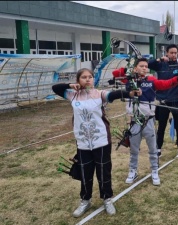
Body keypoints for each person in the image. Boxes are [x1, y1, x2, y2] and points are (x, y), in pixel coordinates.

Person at [52, 68, 141, 218]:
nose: (88, 79)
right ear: (78, 80)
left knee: (103, 171)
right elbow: (55, 88)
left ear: (94, 79)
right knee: (85, 173)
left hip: (101, 140)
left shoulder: (100, 94)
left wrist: (130, 93)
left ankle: (107, 198)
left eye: (90, 77)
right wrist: (69, 85)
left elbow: (114, 94)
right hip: (83, 142)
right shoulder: (72, 95)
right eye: (84, 77)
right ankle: (85, 200)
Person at [112, 58, 178, 184]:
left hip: (148, 119)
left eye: (146, 66)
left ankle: (154, 171)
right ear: (135, 68)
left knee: (153, 149)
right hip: (134, 121)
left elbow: (165, 84)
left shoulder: (151, 80)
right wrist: (129, 71)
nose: (144, 68)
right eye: (141, 66)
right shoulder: (129, 79)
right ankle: (133, 171)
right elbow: (115, 74)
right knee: (134, 149)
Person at [148, 44, 178, 162]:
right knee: (161, 126)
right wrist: (160, 59)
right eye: (171, 52)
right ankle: (158, 150)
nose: (173, 55)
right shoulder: (161, 64)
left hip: (176, 99)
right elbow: (148, 64)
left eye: (175, 53)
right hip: (163, 100)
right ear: (166, 53)